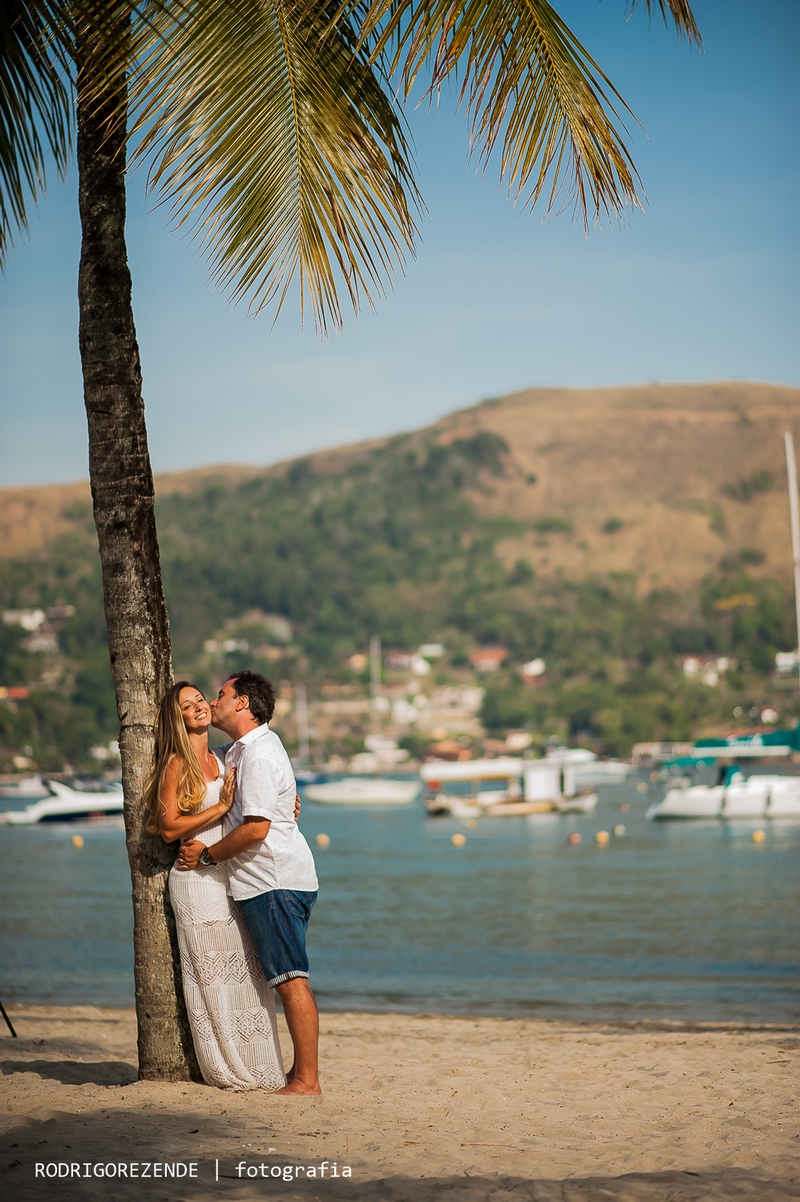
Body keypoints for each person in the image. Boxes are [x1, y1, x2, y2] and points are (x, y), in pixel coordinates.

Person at [179, 670, 321, 1096]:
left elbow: (256, 828)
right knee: (286, 977)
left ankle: (306, 1080)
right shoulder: (243, 750)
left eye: (221, 694)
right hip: (272, 878)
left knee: (290, 978)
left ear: (241, 703)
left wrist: (205, 855)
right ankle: (300, 1075)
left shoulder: (256, 754)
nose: (213, 701)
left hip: (272, 880)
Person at [145, 681, 287, 1091]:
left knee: (247, 971)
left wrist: (286, 804)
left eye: (199, 700)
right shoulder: (176, 764)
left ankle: (262, 1067)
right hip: (195, 877)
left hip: (228, 870)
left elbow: (258, 798)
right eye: (186, 707)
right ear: (178, 719)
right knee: (213, 979)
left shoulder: (225, 757)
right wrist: (221, 806)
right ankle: (227, 1069)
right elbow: (169, 828)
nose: (198, 707)